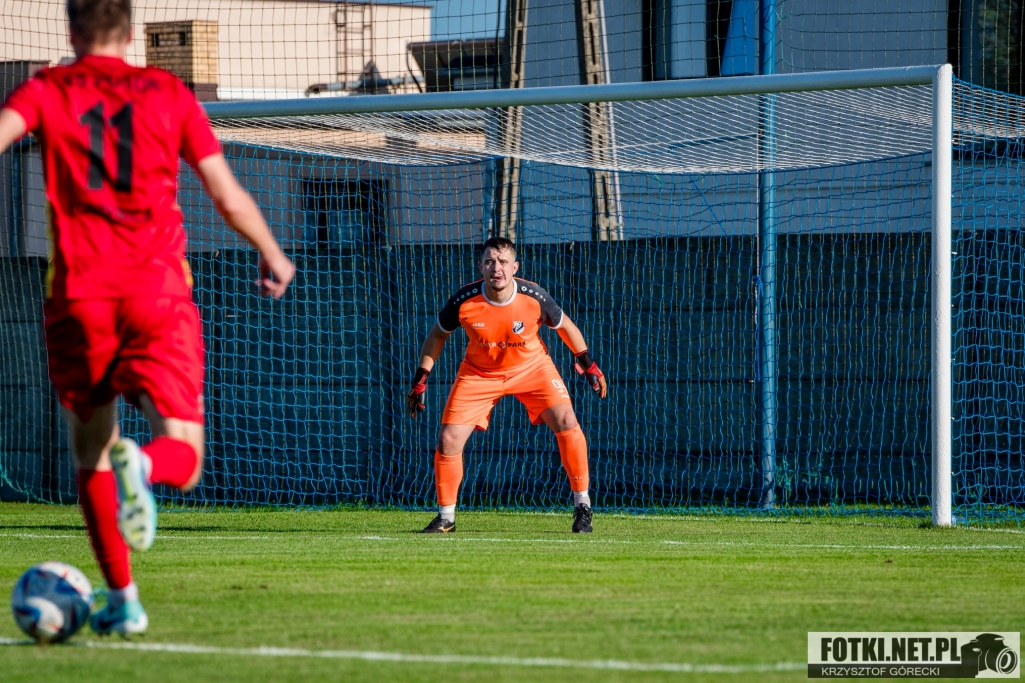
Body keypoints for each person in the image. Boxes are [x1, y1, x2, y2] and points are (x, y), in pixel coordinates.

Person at [0, 0, 295, 635]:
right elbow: (224, 192)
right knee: (183, 456)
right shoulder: (167, 92)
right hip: (157, 291)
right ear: (131, 32)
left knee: (91, 456)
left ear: (72, 29)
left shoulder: (46, 89)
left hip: (79, 296)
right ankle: (147, 469)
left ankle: (124, 598)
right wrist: (272, 252)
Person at [407, 236, 607, 534]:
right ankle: (446, 518)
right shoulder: (464, 300)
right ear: (481, 267)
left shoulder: (534, 296)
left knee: (567, 420)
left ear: (515, 267)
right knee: (448, 440)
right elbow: (437, 334)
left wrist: (587, 362)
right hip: (479, 373)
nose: (496, 268)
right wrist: (421, 377)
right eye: (489, 261)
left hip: (532, 368)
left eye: (503, 262)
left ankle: (583, 506)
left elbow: (565, 326)